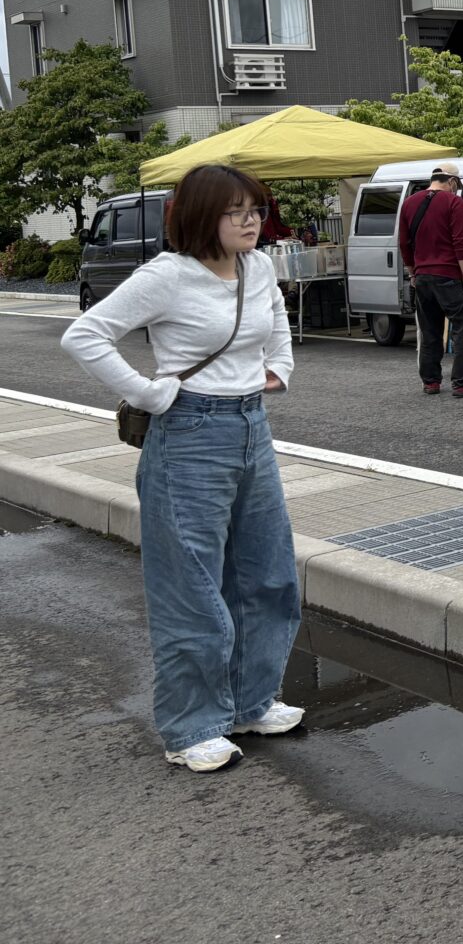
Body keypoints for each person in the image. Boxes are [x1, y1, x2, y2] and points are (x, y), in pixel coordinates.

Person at [60, 163, 304, 773]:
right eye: (236, 212)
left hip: (252, 427)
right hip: (189, 435)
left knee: (267, 574)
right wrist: (148, 393)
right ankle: (192, 726)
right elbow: (85, 335)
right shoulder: (167, 276)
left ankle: (250, 701)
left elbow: (276, 319)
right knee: (191, 587)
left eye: (255, 210)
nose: (251, 222)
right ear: (201, 217)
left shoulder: (259, 265)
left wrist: (279, 368)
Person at [399, 163, 463, 399]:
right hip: (448, 275)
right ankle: (462, 383)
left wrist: (412, 273)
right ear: (451, 182)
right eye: (456, 186)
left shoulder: (409, 203)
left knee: (429, 330)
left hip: (422, 277)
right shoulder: (453, 202)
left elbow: (404, 243)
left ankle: (431, 382)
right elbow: (460, 242)